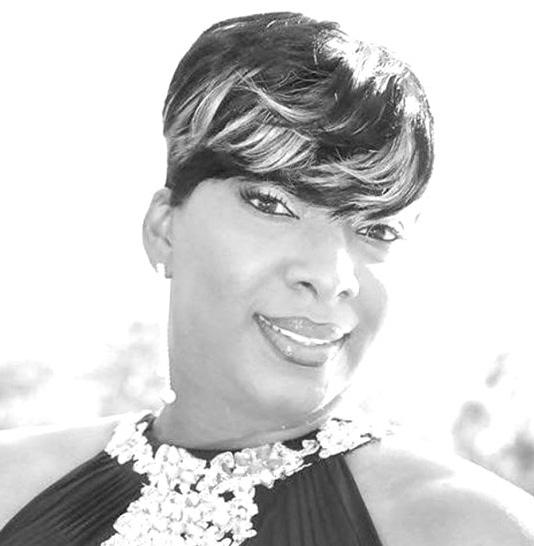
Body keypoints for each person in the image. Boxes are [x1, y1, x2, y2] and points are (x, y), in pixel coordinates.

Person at [1, 11, 533, 546]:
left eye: (377, 229)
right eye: (272, 204)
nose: (330, 276)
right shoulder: (13, 488)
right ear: (164, 229)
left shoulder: (476, 530)